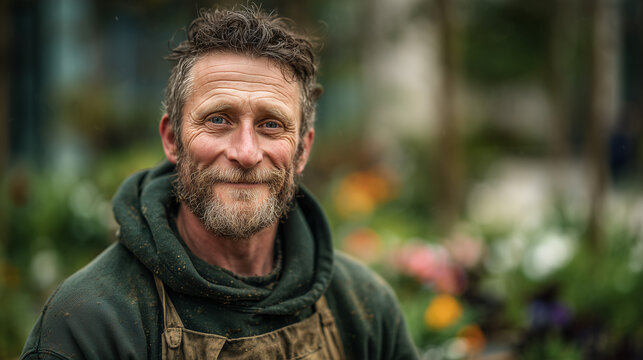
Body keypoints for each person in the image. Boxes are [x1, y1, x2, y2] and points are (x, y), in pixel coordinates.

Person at [21, 6, 418, 359]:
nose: (246, 153)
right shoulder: (90, 321)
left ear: (302, 150)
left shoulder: (363, 306)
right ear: (173, 139)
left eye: (270, 125)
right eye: (218, 120)